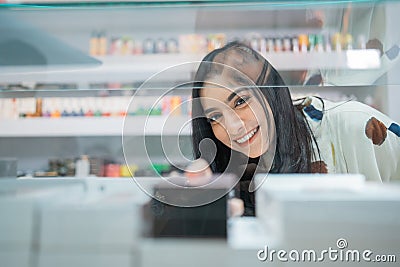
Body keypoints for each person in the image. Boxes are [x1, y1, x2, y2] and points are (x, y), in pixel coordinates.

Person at [190, 41, 400, 216]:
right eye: (215, 117)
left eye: (240, 102)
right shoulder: (232, 166)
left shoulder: (357, 127)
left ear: (270, 91)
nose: (233, 127)